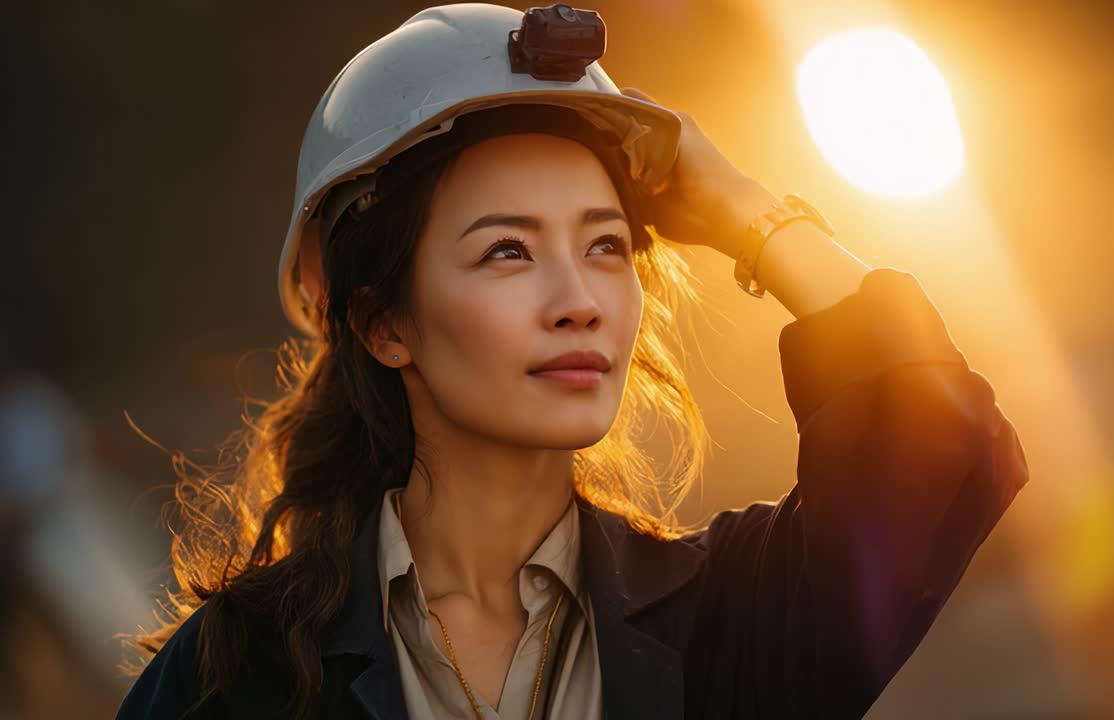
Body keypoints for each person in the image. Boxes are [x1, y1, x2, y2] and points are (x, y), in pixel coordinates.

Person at [117, 4, 1029, 719]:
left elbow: (937, 430)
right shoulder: (237, 677)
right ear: (381, 324)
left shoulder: (726, 621)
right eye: (507, 251)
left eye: (604, 248)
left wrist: (745, 211)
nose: (580, 300)